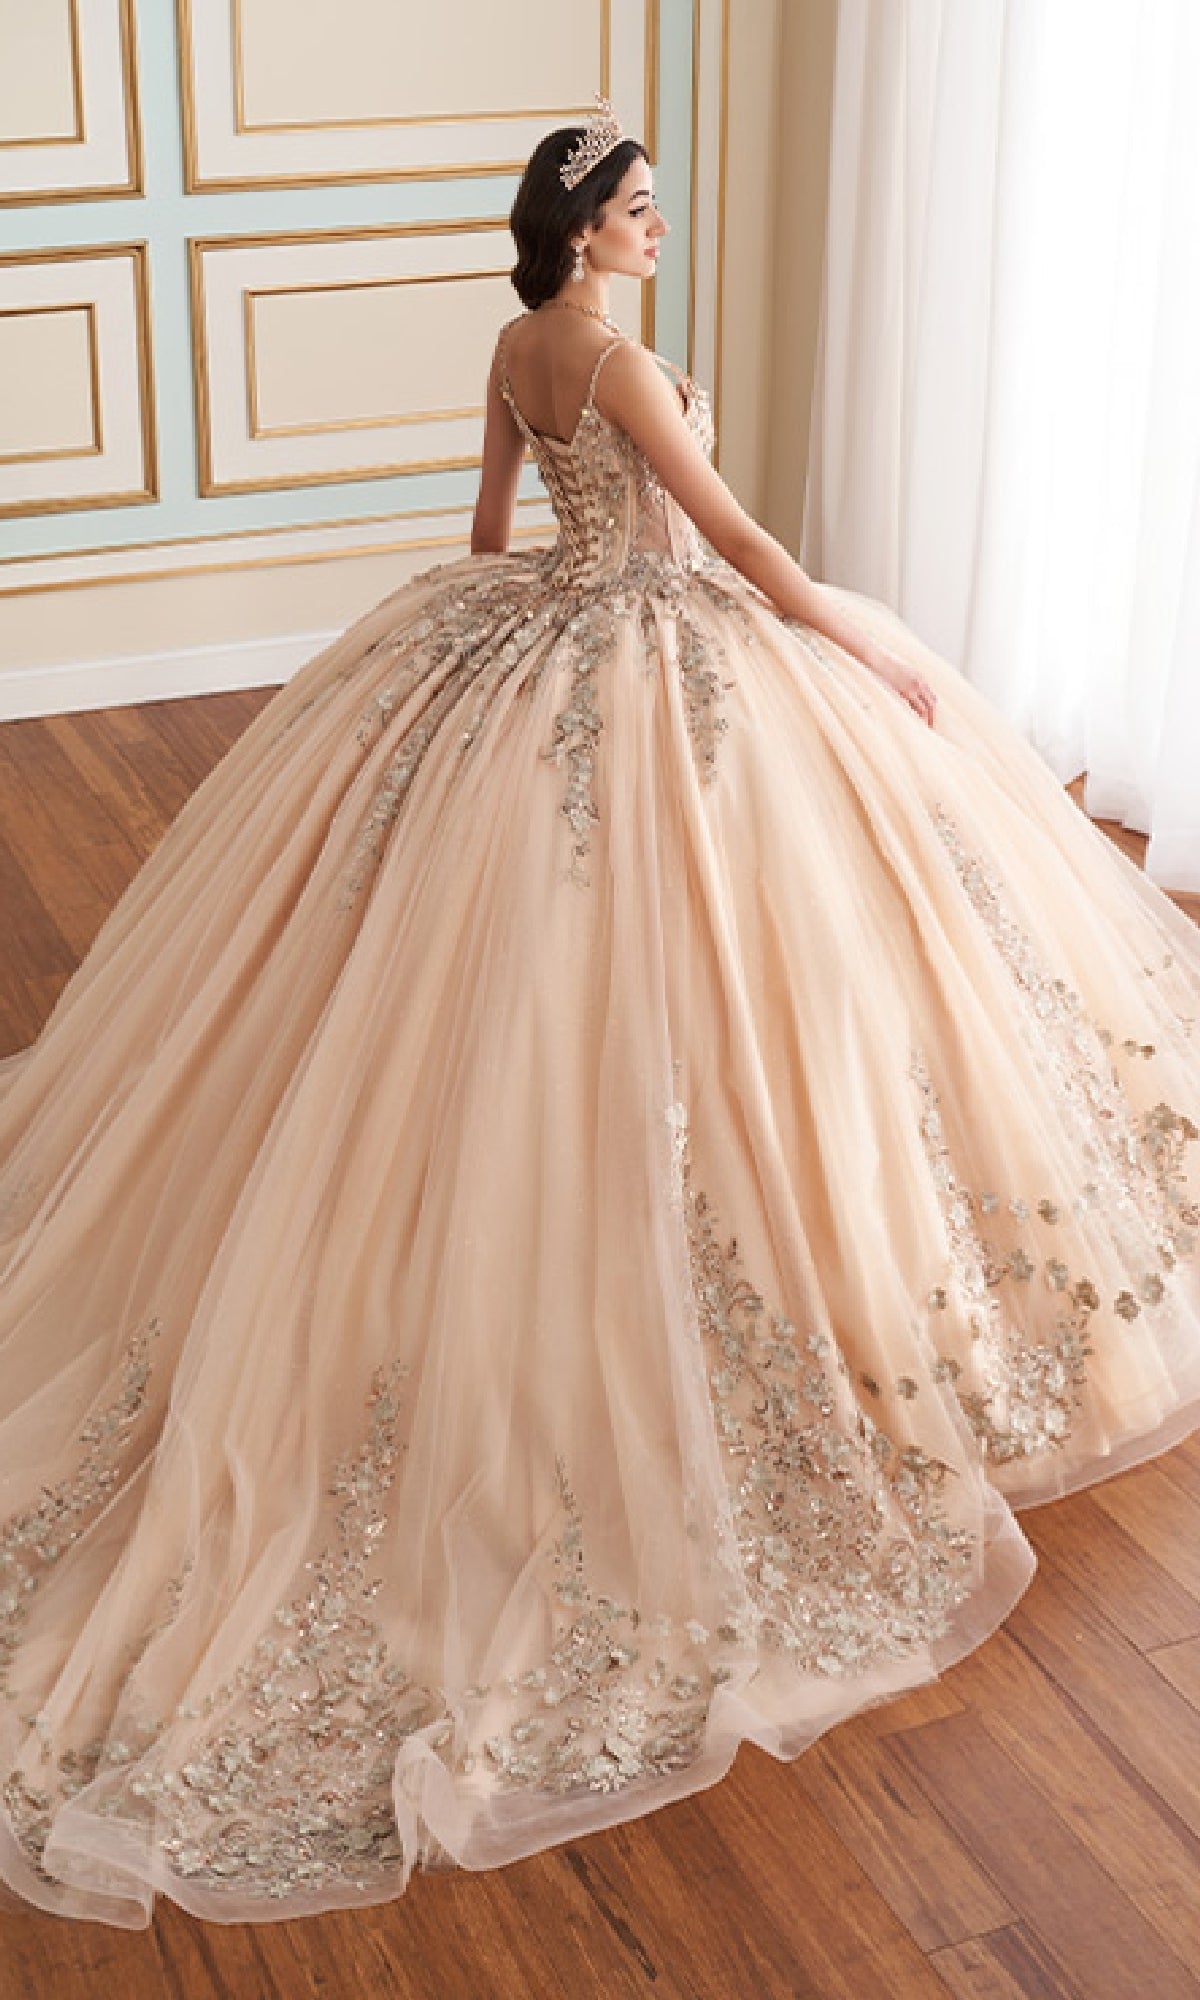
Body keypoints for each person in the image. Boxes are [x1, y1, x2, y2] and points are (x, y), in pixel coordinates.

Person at [0, 99, 1198, 1932]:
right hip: (661, 648)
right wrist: (859, 643)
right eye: (637, 207)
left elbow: (487, 531)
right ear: (581, 223)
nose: (656, 224)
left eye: (652, 205)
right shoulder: (622, 362)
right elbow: (726, 540)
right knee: (721, 955)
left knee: (472, 976)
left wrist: (472, 685)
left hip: (537, 629)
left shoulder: (513, 342)